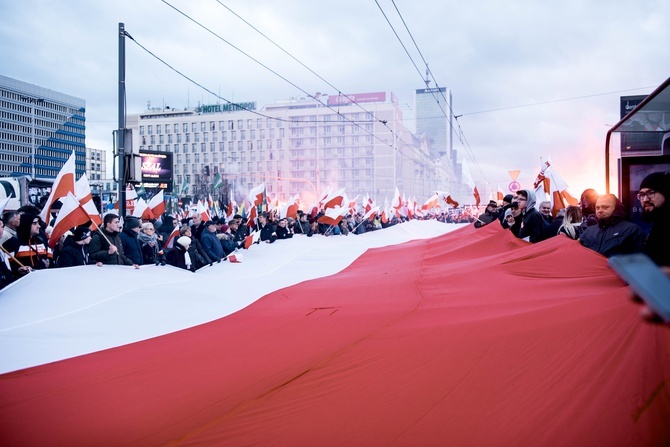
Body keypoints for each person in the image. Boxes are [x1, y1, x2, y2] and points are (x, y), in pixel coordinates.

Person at [579, 194, 645, 258]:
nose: (600, 210)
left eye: (605, 207)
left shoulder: (632, 230)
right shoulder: (589, 231)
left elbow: (638, 260)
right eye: (597, 208)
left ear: (616, 208)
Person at [637, 171, 670, 266]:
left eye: (651, 193)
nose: (645, 199)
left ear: (667, 194)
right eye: (641, 195)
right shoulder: (658, 225)